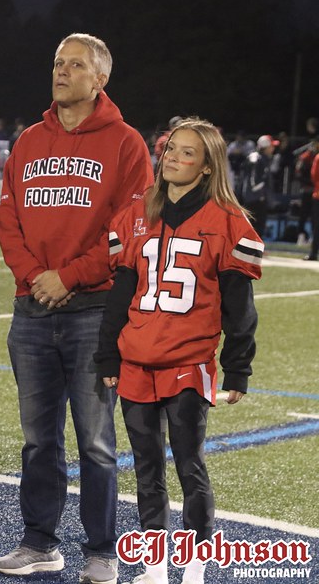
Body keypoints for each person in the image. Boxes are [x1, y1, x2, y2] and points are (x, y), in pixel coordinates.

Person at [0, 33, 153, 584]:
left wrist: (71, 276)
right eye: (57, 62)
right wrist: (37, 278)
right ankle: (40, 543)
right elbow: (8, 221)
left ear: (99, 78)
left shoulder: (127, 143)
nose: (61, 71)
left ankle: (102, 551)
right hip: (32, 308)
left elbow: (129, 228)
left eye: (75, 65)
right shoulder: (28, 140)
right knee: (39, 440)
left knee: (97, 442)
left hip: (95, 310)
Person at [95, 118, 262, 584]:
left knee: (189, 463)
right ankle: (154, 561)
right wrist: (107, 354)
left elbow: (239, 309)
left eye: (187, 153)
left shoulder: (228, 223)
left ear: (207, 167)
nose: (172, 158)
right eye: (170, 149)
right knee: (146, 468)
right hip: (135, 358)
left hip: (189, 360)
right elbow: (119, 296)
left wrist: (237, 369)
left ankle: (194, 559)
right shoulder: (135, 216)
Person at [241, 133, 276, 240]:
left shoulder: (262, 159)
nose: (273, 148)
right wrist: (260, 188)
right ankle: (252, 249)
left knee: (258, 225)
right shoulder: (256, 159)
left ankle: (256, 248)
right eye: (271, 146)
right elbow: (254, 181)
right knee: (253, 225)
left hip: (257, 197)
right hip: (255, 198)